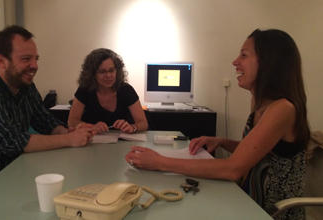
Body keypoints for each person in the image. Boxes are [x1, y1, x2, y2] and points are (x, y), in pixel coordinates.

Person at [125, 29, 310, 219]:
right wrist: (222, 141)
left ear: (269, 62)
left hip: (270, 212)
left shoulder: (283, 109)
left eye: (244, 55)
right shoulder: (259, 102)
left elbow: (233, 169)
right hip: (247, 200)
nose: (235, 62)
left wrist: (160, 162)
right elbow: (263, 152)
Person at [0, 25, 94, 204]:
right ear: (1, 61)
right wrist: (70, 140)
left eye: (36, 59)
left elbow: (47, 122)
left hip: (14, 171)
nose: (35, 66)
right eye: (26, 59)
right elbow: (11, 141)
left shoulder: (26, 87)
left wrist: (71, 132)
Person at [68, 48, 148, 134]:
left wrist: (133, 127)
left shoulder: (126, 90)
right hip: (92, 141)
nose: (108, 75)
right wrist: (92, 127)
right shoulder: (84, 90)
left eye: (111, 70)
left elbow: (143, 123)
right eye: (102, 72)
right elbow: (72, 122)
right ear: (92, 74)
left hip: (122, 142)